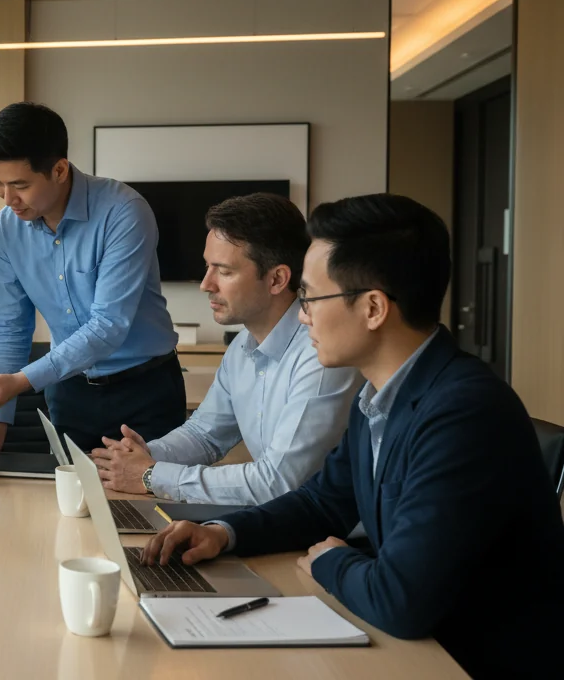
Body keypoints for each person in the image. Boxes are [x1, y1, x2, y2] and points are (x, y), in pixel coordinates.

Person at [140, 195, 564, 678]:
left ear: (373, 308)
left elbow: (400, 600)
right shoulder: (380, 393)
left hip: (469, 659)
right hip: (421, 642)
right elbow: (324, 502)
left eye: (311, 298)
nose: (301, 316)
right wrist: (224, 533)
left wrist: (332, 561)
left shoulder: (463, 413)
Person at [92, 193, 362, 504]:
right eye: (208, 267)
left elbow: (277, 482)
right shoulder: (242, 348)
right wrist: (141, 456)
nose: (206, 283)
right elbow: (204, 434)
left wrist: (151, 475)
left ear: (277, 279)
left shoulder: (321, 355)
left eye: (224, 271)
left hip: (330, 537)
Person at [0, 102, 182, 460]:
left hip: (145, 391)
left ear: (59, 169)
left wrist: (21, 382)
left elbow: (107, 326)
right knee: (68, 509)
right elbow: (10, 325)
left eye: (20, 185)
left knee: (147, 511)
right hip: (68, 393)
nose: (9, 200)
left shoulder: (124, 212)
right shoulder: (9, 225)